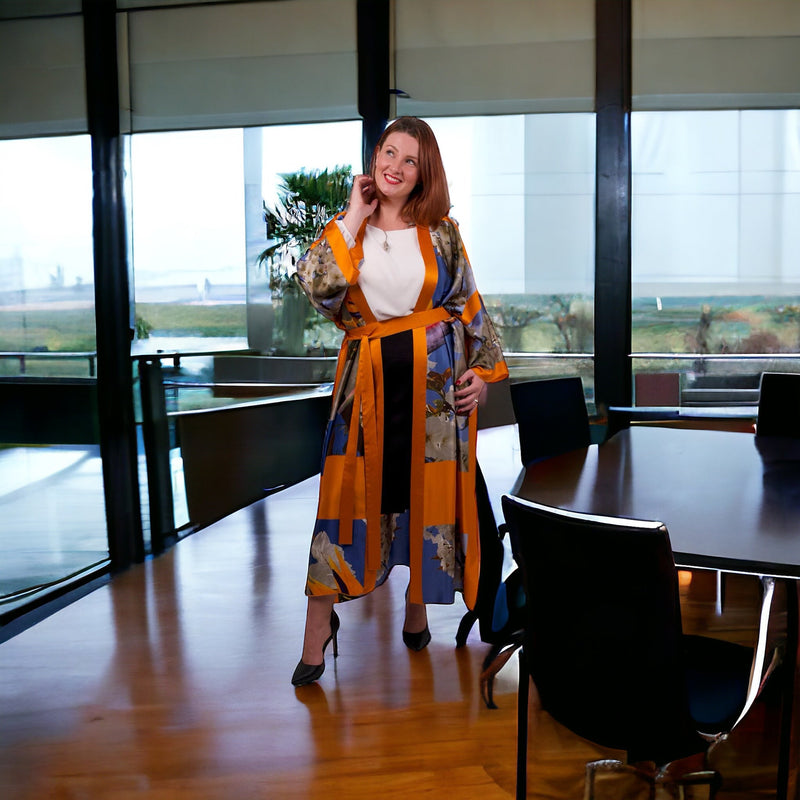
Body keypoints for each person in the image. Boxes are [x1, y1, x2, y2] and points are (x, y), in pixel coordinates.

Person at [291, 116, 508, 686]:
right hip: (363, 388)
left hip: (436, 394)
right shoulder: (348, 229)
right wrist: (354, 213)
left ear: (422, 173)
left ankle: (417, 608)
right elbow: (316, 285)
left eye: (409, 160)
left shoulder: (443, 233)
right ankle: (316, 636)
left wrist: (483, 373)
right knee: (346, 501)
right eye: (389, 153)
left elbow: (469, 305)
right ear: (375, 159)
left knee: (423, 496)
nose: (395, 166)